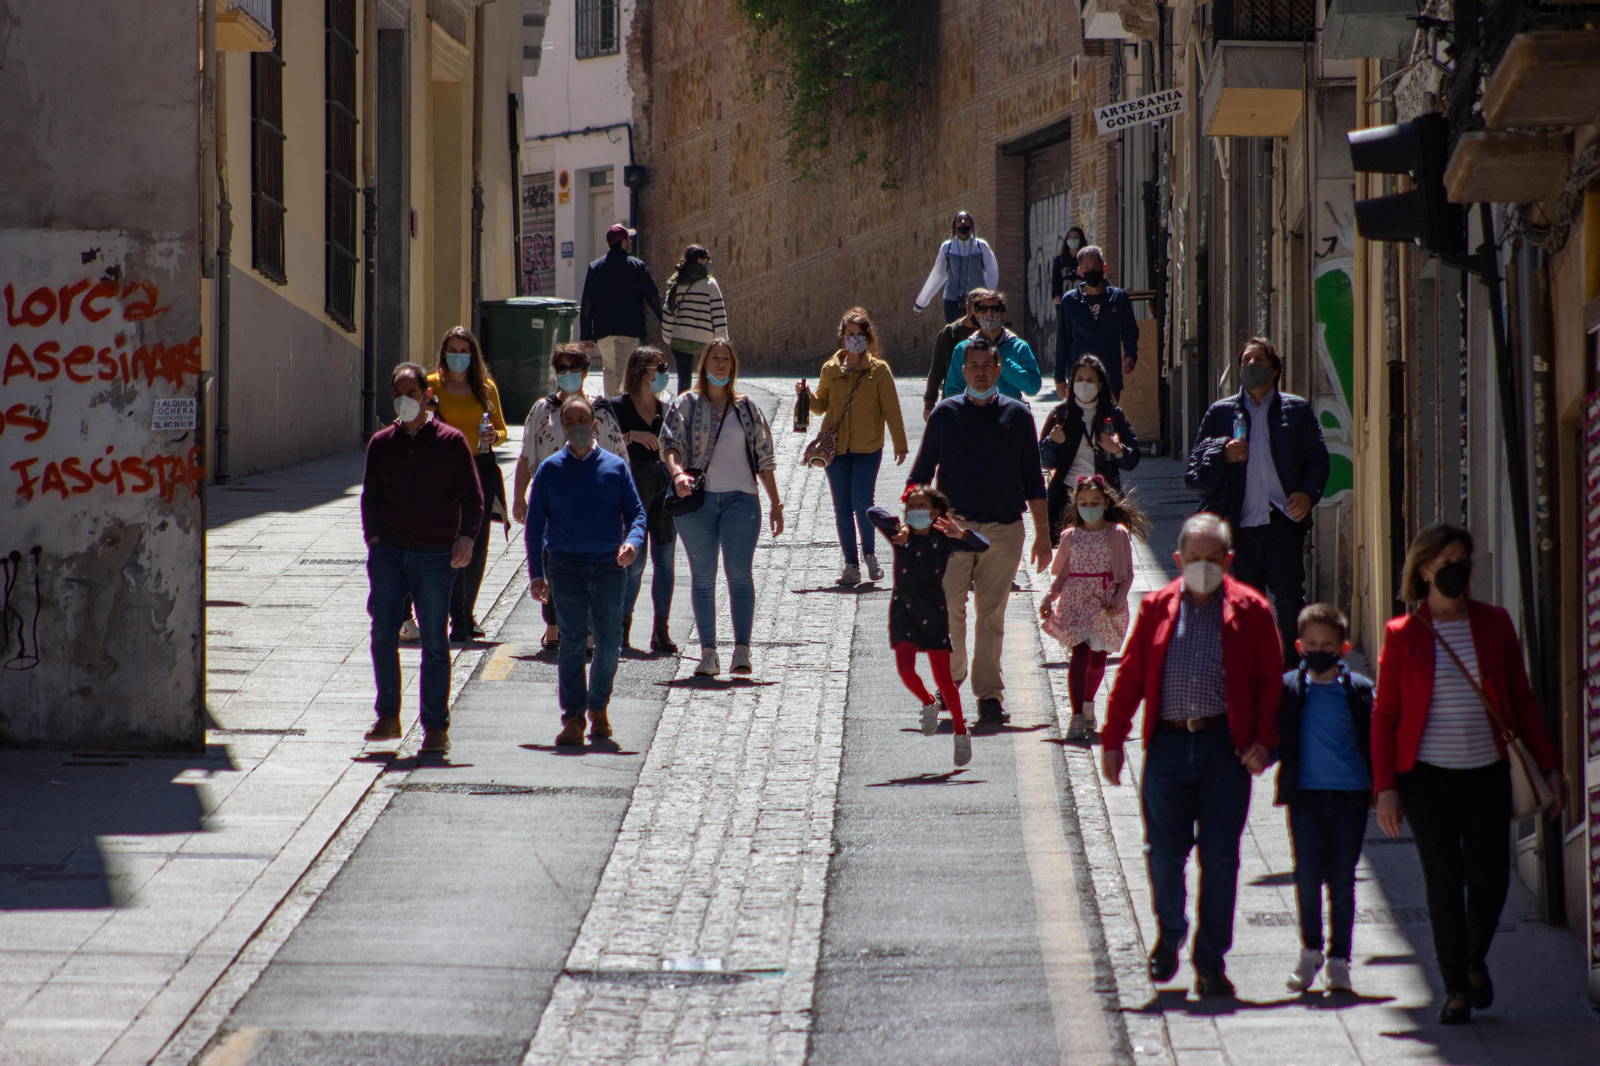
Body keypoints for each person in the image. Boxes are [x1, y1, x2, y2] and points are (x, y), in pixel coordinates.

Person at [1372, 524, 1565, 1024]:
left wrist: (1550, 765)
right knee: (1442, 877)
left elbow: (1521, 699)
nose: (1455, 568)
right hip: (1425, 777)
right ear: (1423, 570)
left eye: (1462, 558)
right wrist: (1385, 789)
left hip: (1486, 773)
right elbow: (1386, 716)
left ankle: (1475, 958)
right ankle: (1456, 986)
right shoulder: (1402, 634)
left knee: (1490, 878)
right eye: (1444, 560)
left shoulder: (1494, 623)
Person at [1101, 512, 1281, 998]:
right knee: (1162, 853)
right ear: (1178, 559)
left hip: (1226, 750)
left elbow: (1270, 686)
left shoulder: (1253, 610)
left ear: (1228, 559)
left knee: (1221, 860)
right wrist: (1113, 740)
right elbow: (1132, 677)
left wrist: (1264, 742)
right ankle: (1172, 928)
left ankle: (1210, 961)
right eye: (1194, 558)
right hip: (1169, 747)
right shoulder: (1157, 607)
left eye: (1212, 558)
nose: (1203, 566)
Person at [907, 339, 1051, 724]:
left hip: (1003, 531)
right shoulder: (944, 414)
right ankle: (949, 683)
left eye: (988, 364)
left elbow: (1034, 480)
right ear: (964, 371)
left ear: (999, 369)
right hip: (952, 528)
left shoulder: (1019, 416)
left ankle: (989, 696)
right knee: (949, 608)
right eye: (974, 365)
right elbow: (920, 474)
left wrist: (1043, 534)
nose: (982, 371)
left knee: (991, 613)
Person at [360, 364, 483, 753]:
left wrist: (465, 538)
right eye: (398, 393)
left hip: (434, 555)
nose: (404, 400)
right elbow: (370, 498)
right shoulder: (381, 443)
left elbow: (473, 497)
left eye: (411, 392)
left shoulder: (450, 442)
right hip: (390, 554)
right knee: (383, 635)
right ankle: (389, 715)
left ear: (427, 396)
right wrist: (375, 540)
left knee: (434, 640)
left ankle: (435, 726)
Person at [1185, 336, 1329, 667]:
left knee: (1290, 600)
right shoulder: (1220, 414)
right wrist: (1221, 454)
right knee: (1244, 605)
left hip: (1283, 523)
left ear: (1276, 369)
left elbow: (1317, 460)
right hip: (1238, 526)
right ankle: (1248, 670)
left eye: (1260, 360)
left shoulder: (1297, 410)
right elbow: (1194, 475)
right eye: (1246, 360)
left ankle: (1292, 673)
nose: (1251, 366)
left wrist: (1308, 494)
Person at [525, 396, 646, 748]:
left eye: (583, 419)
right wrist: (536, 573)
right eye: (570, 420)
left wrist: (632, 543)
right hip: (566, 567)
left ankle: (598, 707)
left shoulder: (615, 467)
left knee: (609, 645)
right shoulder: (549, 470)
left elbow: (636, 514)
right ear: (562, 427)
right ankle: (574, 717)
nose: (577, 425)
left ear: (595, 425)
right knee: (572, 644)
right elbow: (534, 527)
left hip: (609, 568)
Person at [661, 339, 784, 677]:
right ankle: (709, 652)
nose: (720, 364)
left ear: (733, 366)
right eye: (714, 358)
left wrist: (775, 502)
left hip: (741, 500)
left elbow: (764, 457)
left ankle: (742, 651)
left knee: (739, 574)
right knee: (703, 577)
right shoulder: (686, 403)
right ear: (704, 364)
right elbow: (669, 444)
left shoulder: (747, 408)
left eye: (725, 359)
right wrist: (678, 473)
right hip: (697, 502)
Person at [1273, 602, 1373, 996]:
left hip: (1349, 796)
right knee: (1307, 875)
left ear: (1343, 647)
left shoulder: (1360, 693)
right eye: (1311, 642)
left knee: (1343, 881)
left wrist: (1384, 791)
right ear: (1299, 646)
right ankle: (1311, 949)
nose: (1319, 649)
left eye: (1327, 643)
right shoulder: (1290, 689)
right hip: (1306, 797)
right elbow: (1278, 735)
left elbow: (1373, 742)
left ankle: (1339, 960)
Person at [513, 343, 627, 650]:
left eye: (573, 369)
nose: (567, 374)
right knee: (554, 562)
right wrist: (519, 498)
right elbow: (526, 455)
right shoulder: (542, 410)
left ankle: (587, 631)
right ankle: (553, 625)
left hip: (595, 502)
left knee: (591, 565)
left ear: (585, 372)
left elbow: (619, 455)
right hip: (553, 501)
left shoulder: (600, 411)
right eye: (561, 368)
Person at [867, 486, 989, 766]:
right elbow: (872, 512)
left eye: (921, 507)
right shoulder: (899, 535)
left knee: (944, 680)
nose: (915, 512)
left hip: (933, 611)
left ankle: (960, 732)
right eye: (911, 507)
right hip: (903, 610)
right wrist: (902, 528)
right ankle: (927, 702)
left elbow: (983, 545)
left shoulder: (943, 539)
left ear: (935, 513)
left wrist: (961, 534)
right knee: (905, 670)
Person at [795, 308, 908, 586]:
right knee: (842, 507)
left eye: (859, 334)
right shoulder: (830, 369)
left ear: (867, 337)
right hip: (836, 449)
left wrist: (900, 443)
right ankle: (850, 564)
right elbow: (822, 406)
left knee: (863, 503)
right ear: (842, 338)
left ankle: (869, 555)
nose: (854, 339)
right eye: (849, 335)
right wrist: (806, 395)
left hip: (868, 447)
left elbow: (891, 409)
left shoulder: (879, 371)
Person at [1039, 474, 1150, 740]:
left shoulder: (1117, 534)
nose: (1089, 507)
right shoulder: (1069, 536)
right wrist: (1048, 598)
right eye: (1083, 502)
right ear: (1076, 504)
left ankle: (1088, 704)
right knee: (1080, 653)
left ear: (1105, 503)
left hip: (1105, 603)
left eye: (1095, 501)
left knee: (1098, 659)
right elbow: (1062, 576)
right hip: (1075, 602)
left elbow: (1125, 576)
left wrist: (1117, 599)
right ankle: (1077, 715)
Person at [426, 327, 509, 642]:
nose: (458, 356)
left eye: (464, 351)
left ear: (473, 355)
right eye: (453, 350)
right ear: (444, 353)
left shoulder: (485, 388)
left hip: (480, 468)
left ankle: (465, 613)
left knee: (475, 541)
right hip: (443, 471)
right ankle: (451, 612)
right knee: (447, 540)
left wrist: (494, 437)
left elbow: (501, 429)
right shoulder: (432, 386)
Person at [605, 345, 679, 653]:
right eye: (657, 368)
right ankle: (622, 627)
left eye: (664, 368)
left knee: (665, 559)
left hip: (662, 487)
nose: (663, 374)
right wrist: (632, 436)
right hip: (631, 486)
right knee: (634, 562)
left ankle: (661, 629)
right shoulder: (616, 407)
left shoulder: (668, 409)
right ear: (640, 372)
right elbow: (603, 446)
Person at [1039, 354, 1141, 545]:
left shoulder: (1113, 414)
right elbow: (1044, 461)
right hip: (1068, 498)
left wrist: (1117, 450)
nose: (1083, 385)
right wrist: (1052, 442)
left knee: (1105, 553)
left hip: (1103, 498)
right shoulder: (1061, 415)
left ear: (1100, 385)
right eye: (1079, 379)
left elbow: (1133, 459)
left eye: (1089, 380)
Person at [579, 223, 664, 396]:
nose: (631, 243)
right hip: (629, 329)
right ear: (624, 242)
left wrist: (586, 333)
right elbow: (652, 296)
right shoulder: (637, 266)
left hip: (604, 330)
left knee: (610, 370)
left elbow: (588, 301)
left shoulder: (596, 268)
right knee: (626, 371)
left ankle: (612, 409)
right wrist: (666, 320)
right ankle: (623, 409)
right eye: (629, 239)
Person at [1056, 244, 1141, 400]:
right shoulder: (1070, 301)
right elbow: (1063, 340)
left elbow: (1130, 330)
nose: (1091, 273)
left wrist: (1130, 355)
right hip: (1080, 375)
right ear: (1080, 271)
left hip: (1110, 374)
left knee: (1107, 420)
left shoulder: (1118, 298)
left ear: (1103, 268)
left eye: (1095, 268)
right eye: (1086, 270)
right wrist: (1059, 377)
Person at [939, 291, 1042, 401]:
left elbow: (1033, 387)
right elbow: (952, 391)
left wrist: (1003, 362)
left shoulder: (1019, 347)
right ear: (977, 316)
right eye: (983, 309)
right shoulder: (962, 349)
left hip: (1008, 415)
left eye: (994, 309)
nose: (989, 314)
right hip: (972, 415)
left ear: (1003, 314)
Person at [661, 244, 728, 393]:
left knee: (683, 383)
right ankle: (706, 411)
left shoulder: (677, 283)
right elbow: (718, 314)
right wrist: (722, 341)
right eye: (707, 259)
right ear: (699, 261)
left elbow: (669, 312)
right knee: (708, 380)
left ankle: (683, 413)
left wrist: (667, 337)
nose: (709, 262)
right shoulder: (710, 284)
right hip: (705, 341)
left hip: (680, 340)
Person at [913, 210, 999, 323]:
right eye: (959, 220)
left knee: (976, 336)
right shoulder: (948, 247)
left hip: (976, 301)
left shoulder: (980, 246)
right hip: (952, 301)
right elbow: (938, 274)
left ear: (971, 224)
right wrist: (920, 303)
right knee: (954, 335)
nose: (963, 222)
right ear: (955, 225)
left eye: (966, 220)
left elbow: (992, 270)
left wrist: (990, 296)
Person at [922, 289, 978, 422]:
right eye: (978, 308)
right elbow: (937, 370)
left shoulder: (989, 332)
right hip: (955, 402)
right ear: (967, 307)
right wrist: (929, 403)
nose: (983, 314)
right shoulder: (950, 333)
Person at [1050, 226, 1088, 311]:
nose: (1072, 240)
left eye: (1075, 238)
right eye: (1070, 237)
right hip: (1064, 304)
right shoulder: (1060, 260)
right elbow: (1055, 281)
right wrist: (1056, 295)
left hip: (1081, 305)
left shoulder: (1085, 259)